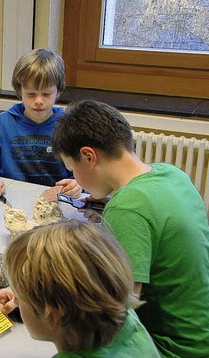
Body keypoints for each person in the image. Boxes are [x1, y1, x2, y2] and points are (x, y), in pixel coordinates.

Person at [50, 100, 209, 357]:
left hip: (173, 349)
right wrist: (113, 199)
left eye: (73, 168)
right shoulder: (171, 175)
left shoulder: (127, 210)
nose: (76, 177)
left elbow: (118, 310)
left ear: (89, 156)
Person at [0, 221, 160, 357]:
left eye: (21, 296)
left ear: (53, 314)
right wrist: (32, 303)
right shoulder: (126, 319)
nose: (16, 300)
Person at [0, 48, 81, 199]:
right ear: (19, 90)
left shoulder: (70, 125)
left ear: (58, 92)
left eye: (46, 94)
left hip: (60, 203)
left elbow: (91, 170)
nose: (39, 101)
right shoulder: (3, 124)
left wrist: (79, 184)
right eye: (31, 94)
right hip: (14, 203)